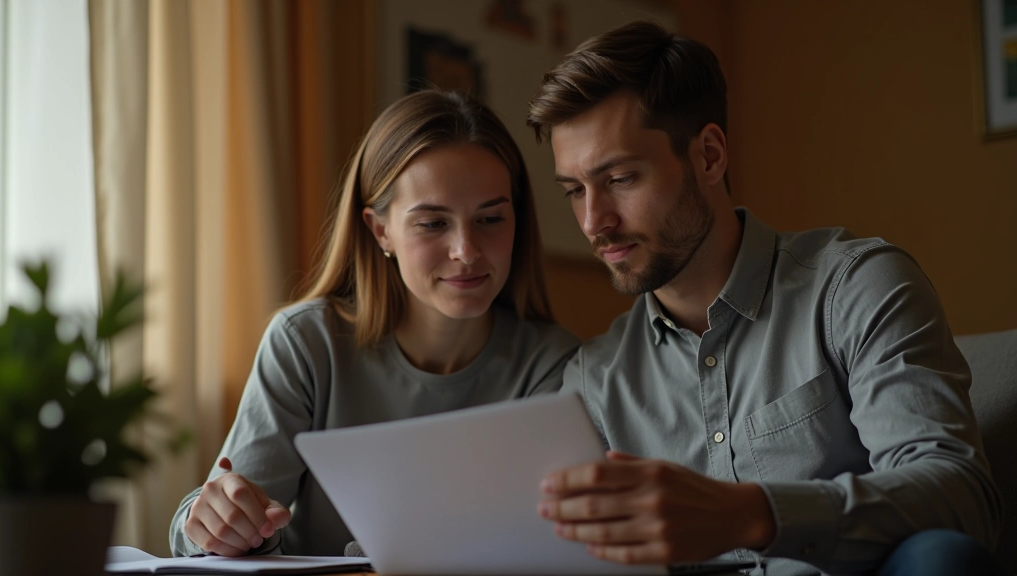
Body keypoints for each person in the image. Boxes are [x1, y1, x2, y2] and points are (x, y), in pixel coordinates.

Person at [526, 21, 1005, 576]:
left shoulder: (854, 288)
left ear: (708, 156)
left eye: (621, 178)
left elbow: (962, 498)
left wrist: (755, 514)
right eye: (574, 191)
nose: (593, 221)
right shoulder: (593, 382)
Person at [169, 89, 580, 558]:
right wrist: (210, 523)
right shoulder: (307, 344)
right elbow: (218, 527)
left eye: (490, 218)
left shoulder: (553, 363)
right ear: (379, 229)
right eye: (432, 223)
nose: (466, 250)